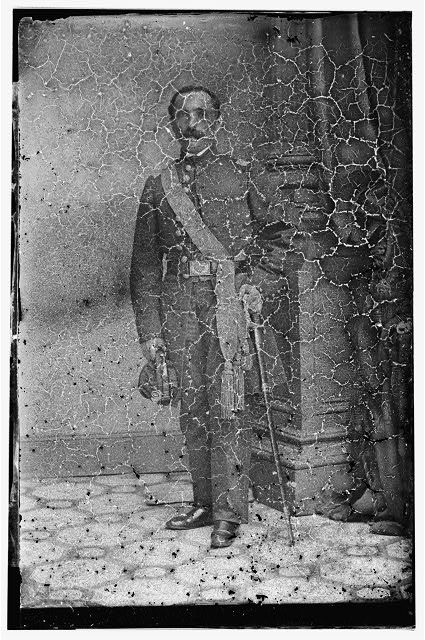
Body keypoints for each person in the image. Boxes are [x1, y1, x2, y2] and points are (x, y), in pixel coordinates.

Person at [130, 86, 287, 548]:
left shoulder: (243, 174)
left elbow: (279, 239)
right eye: (183, 115)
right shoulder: (159, 186)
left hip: (228, 301)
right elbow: (144, 267)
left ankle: (229, 512)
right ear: (172, 124)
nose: (192, 122)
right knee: (193, 405)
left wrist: (258, 284)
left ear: (217, 120)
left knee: (229, 404)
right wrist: (150, 334)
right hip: (179, 305)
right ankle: (203, 501)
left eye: (202, 114)